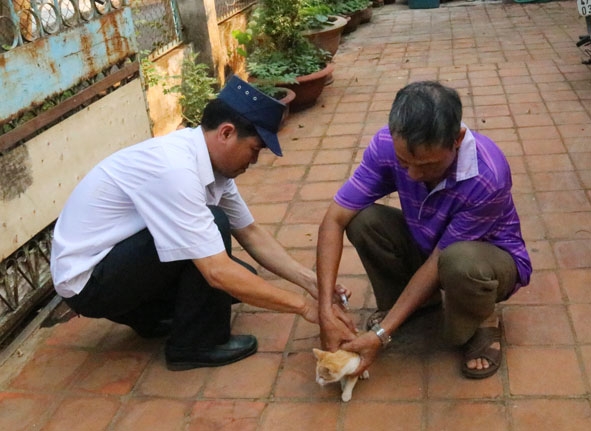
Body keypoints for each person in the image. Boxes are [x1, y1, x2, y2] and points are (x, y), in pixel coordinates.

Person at [50, 76, 321, 371]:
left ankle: (148, 317)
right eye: (255, 149)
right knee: (217, 241)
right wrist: (305, 307)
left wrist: (311, 283)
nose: (254, 161)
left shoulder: (213, 166)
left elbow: (251, 233)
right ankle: (194, 345)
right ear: (227, 133)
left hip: (117, 262)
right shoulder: (175, 169)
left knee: (239, 277)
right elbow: (217, 272)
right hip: (89, 282)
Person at [317, 81, 532, 379]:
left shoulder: (487, 175)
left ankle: (482, 320)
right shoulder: (385, 145)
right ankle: (413, 308)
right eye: (405, 163)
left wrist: (380, 333)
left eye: (428, 165)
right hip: (431, 243)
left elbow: (438, 262)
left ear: (456, 139)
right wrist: (325, 308)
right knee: (362, 220)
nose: (414, 175)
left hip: (489, 262)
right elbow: (334, 218)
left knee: (459, 261)